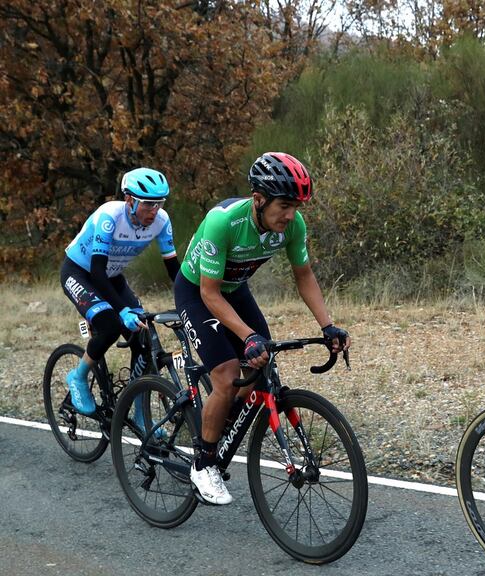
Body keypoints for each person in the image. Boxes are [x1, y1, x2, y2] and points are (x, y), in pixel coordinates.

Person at [174, 151, 350, 505]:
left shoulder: (292, 227)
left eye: (297, 206)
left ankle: (220, 423)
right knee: (225, 375)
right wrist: (247, 336)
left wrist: (328, 326)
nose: (290, 214)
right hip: (197, 291)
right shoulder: (221, 223)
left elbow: (305, 277)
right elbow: (209, 293)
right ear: (259, 199)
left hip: (235, 288)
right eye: (284, 205)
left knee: (260, 362)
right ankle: (203, 463)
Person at [61, 167, 179, 433]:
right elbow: (97, 272)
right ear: (130, 200)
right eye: (148, 203)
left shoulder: (162, 220)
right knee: (111, 326)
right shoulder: (109, 216)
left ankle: (139, 413)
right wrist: (122, 309)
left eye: (160, 203)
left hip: (111, 276)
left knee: (143, 335)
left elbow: (174, 270)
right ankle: (77, 377)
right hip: (81, 272)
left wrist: (191, 300)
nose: (155, 210)